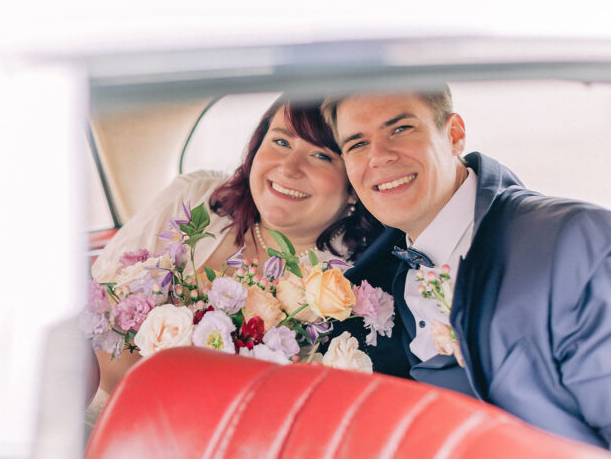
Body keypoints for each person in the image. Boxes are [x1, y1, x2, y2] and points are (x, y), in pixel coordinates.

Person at [87, 98, 409, 423]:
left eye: (321, 156)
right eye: (281, 141)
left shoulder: (349, 287)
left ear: (353, 183)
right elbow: (93, 317)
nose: (289, 167)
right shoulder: (194, 197)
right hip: (108, 415)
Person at [324, 88, 611, 449]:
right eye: (357, 145)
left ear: (454, 135)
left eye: (400, 130)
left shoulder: (573, 241)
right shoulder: (392, 277)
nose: (379, 157)